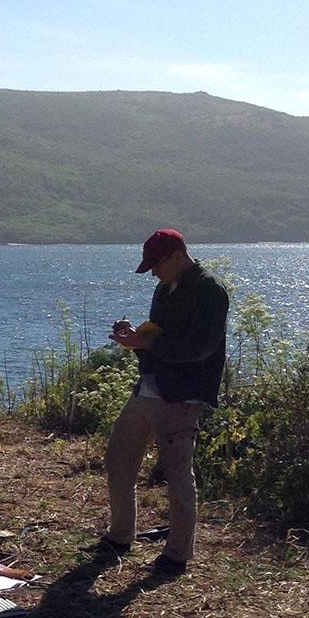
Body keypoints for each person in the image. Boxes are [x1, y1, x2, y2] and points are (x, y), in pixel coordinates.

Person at [95, 228, 229, 576]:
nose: (154, 272)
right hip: (149, 388)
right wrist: (135, 337)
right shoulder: (164, 288)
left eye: (157, 265)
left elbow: (201, 348)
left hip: (182, 396)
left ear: (176, 256)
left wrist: (147, 344)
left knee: (177, 474)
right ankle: (121, 535)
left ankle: (177, 555)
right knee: (118, 459)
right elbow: (159, 332)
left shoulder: (210, 290)